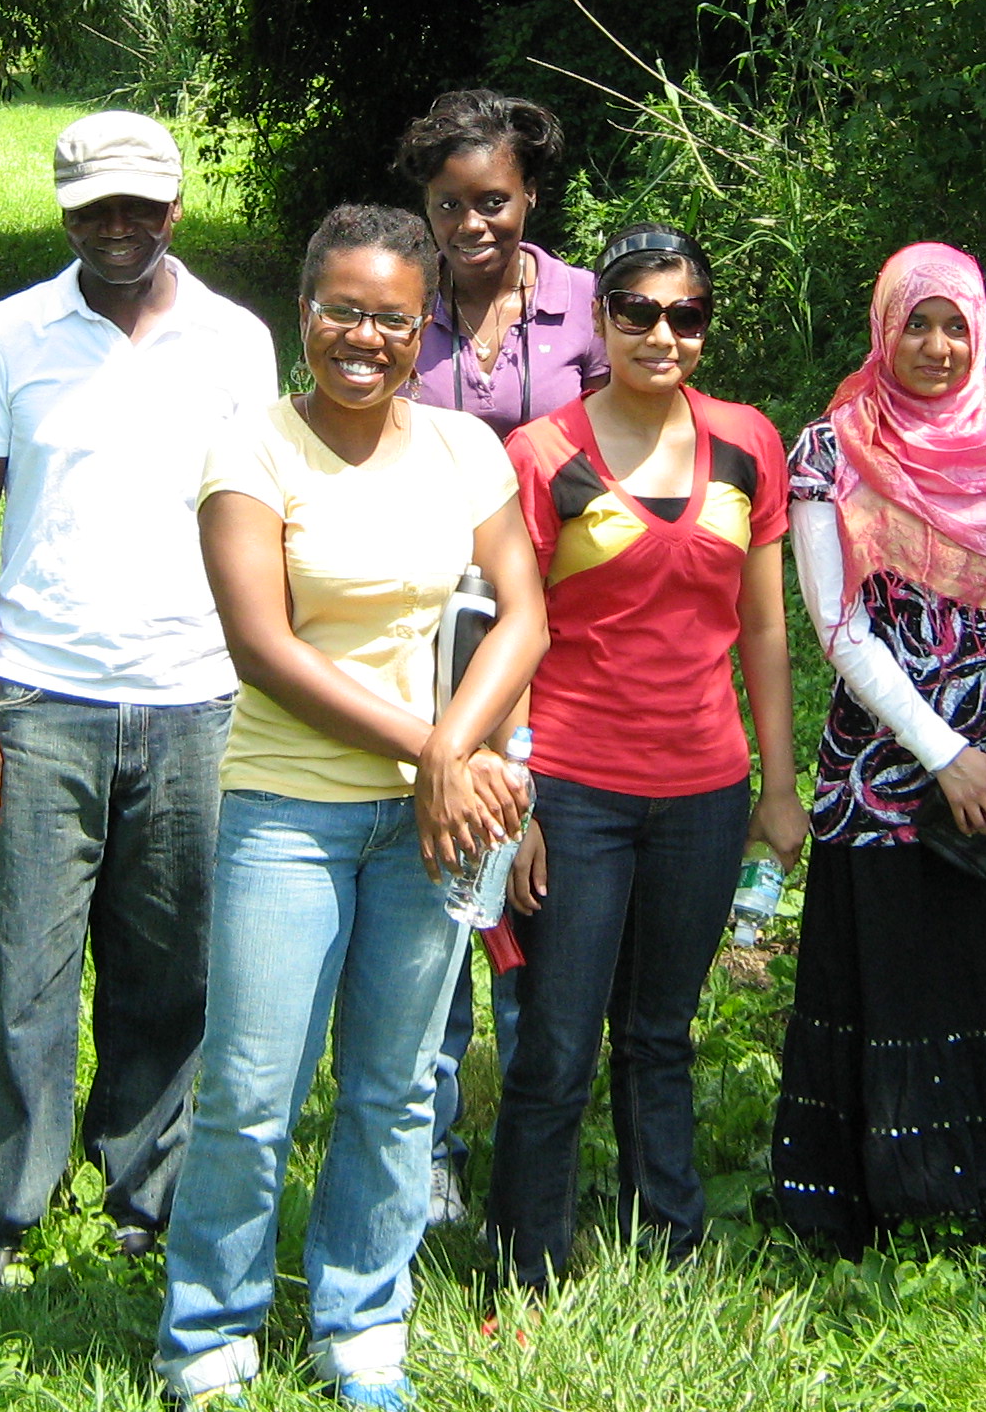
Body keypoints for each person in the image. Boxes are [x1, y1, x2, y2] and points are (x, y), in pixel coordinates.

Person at [156, 205, 548, 1411]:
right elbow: (264, 648)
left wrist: (451, 760)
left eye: (389, 317)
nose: (362, 337)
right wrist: (440, 752)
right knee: (251, 1088)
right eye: (341, 311)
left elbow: (525, 615)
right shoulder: (251, 452)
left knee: (397, 1087)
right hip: (289, 810)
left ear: (421, 326)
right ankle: (211, 1332)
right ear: (304, 312)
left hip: (435, 817)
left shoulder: (465, 452)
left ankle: (362, 1317)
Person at [0, 110, 278, 1279]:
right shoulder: (7, 334)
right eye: (95, 209)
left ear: (175, 207)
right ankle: (4, 1206)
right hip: (43, 699)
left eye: (140, 206)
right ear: (65, 210)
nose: (118, 228)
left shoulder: (239, 343)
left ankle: (146, 1186)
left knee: (170, 967)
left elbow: (263, 523)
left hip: (196, 699)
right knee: (24, 976)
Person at [771, 243, 986, 1248]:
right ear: (884, 328)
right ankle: (901, 1194)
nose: (935, 344)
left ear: (981, 331)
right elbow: (838, 626)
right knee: (904, 971)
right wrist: (946, 755)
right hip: (890, 767)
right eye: (915, 323)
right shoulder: (832, 452)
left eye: (954, 324)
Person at [483, 224, 799, 1290]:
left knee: (661, 1031)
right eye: (639, 314)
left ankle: (669, 1243)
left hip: (706, 789)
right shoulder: (541, 455)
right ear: (603, 321)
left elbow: (764, 629)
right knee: (559, 1042)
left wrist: (780, 788)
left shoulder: (751, 442)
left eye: (686, 315)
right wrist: (516, 790)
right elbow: (514, 632)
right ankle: (527, 1257)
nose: (663, 334)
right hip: (573, 787)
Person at [391, 87, 608, 1226]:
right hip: (421, 635)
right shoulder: (397, 305)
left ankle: (539, 1153)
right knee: (436, 891)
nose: (473, 226)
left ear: (529, 196)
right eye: (448, 207)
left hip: (563, 633)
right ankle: (427, 1150)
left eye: (494, 201)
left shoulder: (587, 309)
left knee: (533, 890)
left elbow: (629, 456)